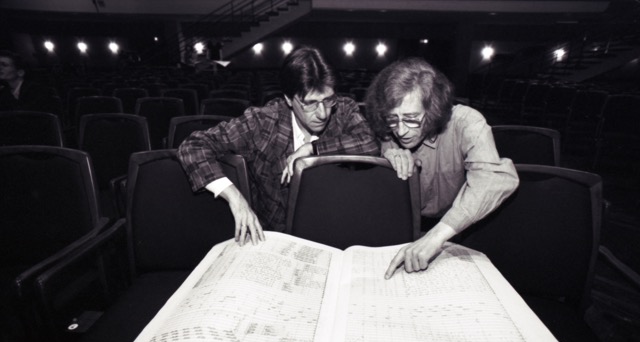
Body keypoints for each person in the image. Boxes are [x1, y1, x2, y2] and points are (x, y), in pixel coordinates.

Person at [178, 46, 378, 245]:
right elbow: (193, 145)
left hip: (333, 232)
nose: (323, 113)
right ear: (289, 100)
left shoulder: (343, 109)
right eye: (310, 103)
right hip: (276, 239)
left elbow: (369, 142)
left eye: (327, 100)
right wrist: (236, 199)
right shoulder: (263, 121)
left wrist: (314, 149)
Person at [365, 57, 519, 279]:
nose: (401, 131)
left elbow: (494, 178)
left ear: (434, 107)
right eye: (393, 119)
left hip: (460, 231)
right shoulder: (389, 131)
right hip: (404, 231)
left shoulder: (466, 122)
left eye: (411, 119)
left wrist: (436, 236)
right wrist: (385, 161)